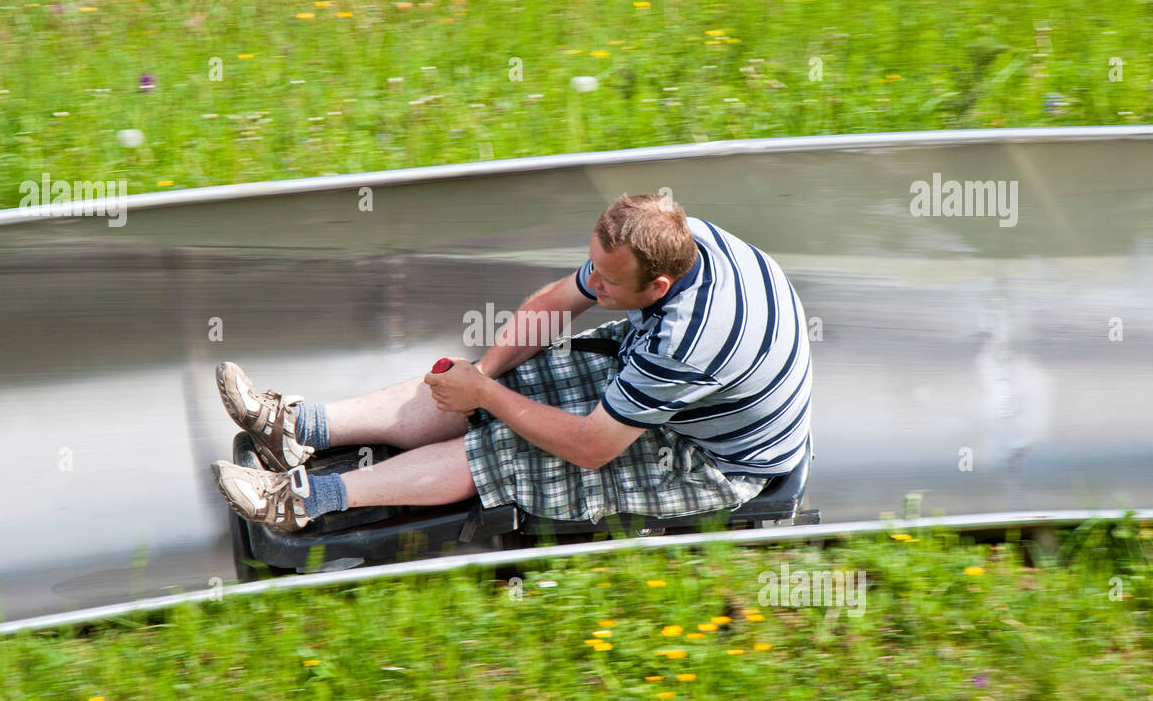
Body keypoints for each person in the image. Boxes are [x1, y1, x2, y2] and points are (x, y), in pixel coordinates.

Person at [209, 192, 812, 533]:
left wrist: (486, 399)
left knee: (502, 455)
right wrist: (484, 378)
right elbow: (557, 301)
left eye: (607, 280)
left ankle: (301, 502)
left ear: (656, 287)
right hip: (678, 396)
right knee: (500, 383)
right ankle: (294, 429)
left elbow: (590, 449)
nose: (592, 283)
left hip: (712, 460)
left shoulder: (689, 341)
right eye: (592, 267)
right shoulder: (676, 238)